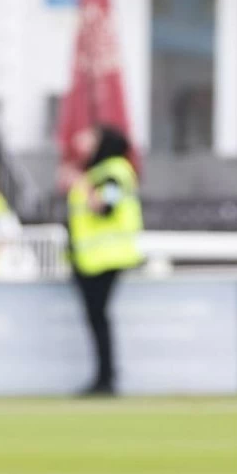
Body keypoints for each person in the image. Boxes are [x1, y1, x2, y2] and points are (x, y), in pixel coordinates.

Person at [63, 124, 144, 396]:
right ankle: (104, 376)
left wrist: (80, 184)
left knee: (99, 319)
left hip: (104, 259)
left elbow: (104, 207)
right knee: (97, 319)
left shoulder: (113, 172)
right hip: (91, 259)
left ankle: (105, 378)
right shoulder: (98, 171)